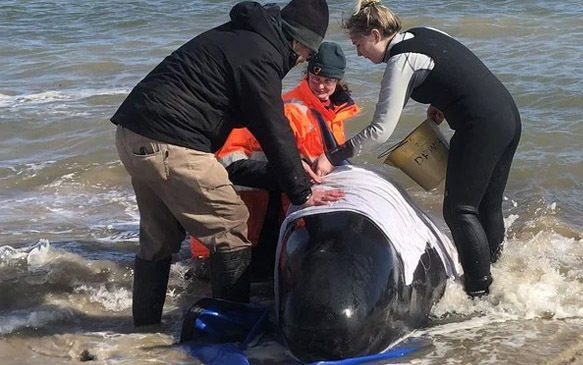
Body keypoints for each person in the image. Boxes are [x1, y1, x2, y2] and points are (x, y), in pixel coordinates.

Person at [111, 0, 345, 327]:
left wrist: (294, 170)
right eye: (307, 55)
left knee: (158, 238)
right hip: (172, 141)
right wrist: (303, 193)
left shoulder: (245, 35)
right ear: (298, 42)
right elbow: (272, 128)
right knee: (232, 224)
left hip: (133, 135)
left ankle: (144, 330)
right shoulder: (262, 55)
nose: (303, 61)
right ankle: (228, 333)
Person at [313, 0, 521, 297]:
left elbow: (380, 131)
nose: (358, 52)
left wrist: (331, 157)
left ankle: (479, 295)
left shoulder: (401, 61)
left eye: (358, 44)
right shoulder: (424, 32)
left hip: (480, 127)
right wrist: (440, 103)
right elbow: (458, 69)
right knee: (487, 205)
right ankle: (497, 276)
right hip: (508, 116)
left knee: (459, 211)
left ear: (375, 34)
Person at [189, 41, 361, 278]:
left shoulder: (332, 112)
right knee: (247, 270)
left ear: (338, 82)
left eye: (328, 81)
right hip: (255, 197)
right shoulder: (291, 108)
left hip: (283, 190)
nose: (321, 85)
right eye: (316, 78)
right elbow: (241, 156)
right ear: (308, 73)